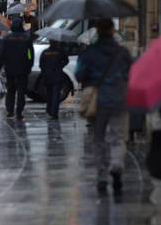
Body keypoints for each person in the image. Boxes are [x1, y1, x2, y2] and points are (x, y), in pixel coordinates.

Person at [76, 18, 132, 193]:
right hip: (119, 99)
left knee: (99, 138)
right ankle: (116, 166)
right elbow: (131, 73)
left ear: (97, 31)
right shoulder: (122, 52)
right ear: (113, 31)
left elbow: (79, 75)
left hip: (97, 101)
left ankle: (101, 176)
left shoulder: (89, 52)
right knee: (118, 137)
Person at [0, 17, 34, 119]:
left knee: (11, 90)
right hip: (23, 69)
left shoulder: (7, 38)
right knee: (21, 91)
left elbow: (1, 53)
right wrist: (29, 64)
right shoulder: (26, 38)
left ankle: (10, 110)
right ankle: (19, 112)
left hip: (10, 68)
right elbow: (30, 54)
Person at [39, 39, 69, 119]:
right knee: (56, 94)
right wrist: (60, 66)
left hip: (47, 76)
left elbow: (41, 64)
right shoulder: (60, 52)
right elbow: (66, 60)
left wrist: (45, 71)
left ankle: (49, 110)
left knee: (49, 94)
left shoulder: (45, 52)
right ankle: (54, 112)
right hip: (57, 75)